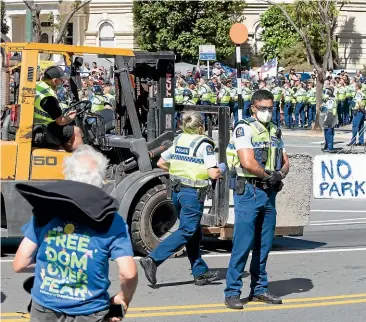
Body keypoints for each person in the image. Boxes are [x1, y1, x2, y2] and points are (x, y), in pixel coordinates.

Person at [13, 145, 138, 322]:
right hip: (90, 311)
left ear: (68, 174)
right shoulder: (112, 220)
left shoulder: (45, 212)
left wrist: (57, 267)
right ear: (101, 180)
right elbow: (128, 273)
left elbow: (19, 264)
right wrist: (123, 299)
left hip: (45, 308)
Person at [139, 112, 226, 286]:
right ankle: (153, 259)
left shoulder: (179, 140)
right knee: (187, 230)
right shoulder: (204, 144)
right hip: (193, 194)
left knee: (193, 232)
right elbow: (212, 173)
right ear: (201, 127)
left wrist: (180, 170)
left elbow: (161, 163)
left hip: (177, 192)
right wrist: (222, 168)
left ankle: (200, 272)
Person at [224, 90, 289, 310]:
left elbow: (285, 160)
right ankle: (232, 291)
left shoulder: (274, 130)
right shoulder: (244, 127)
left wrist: (279, 174)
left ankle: (259, 288)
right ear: (253, 107)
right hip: (249, 190)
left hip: (268, 192)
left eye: (270, 108)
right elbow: (247, 161)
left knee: (264, 245)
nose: (267, 112)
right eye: (263, 108)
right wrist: (268, 175)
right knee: (243, 244)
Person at [34, 66, 83, 151]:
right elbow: (60, 122)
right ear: (55, 80)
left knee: (65, 134)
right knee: (76, 131)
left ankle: (68, 153)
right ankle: (81, 161)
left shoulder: (36, 86)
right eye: (61, 80)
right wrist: (70, 117)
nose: (62, 82)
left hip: (35, 124)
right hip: (46, 128)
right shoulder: (49, 96)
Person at [320, 87, 338, 152]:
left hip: (329, 117)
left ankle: (330, 147)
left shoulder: (331, 100)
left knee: (329, 133)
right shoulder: (326, 100)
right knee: (326, 132)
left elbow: (329, 109)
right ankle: (327, 145)